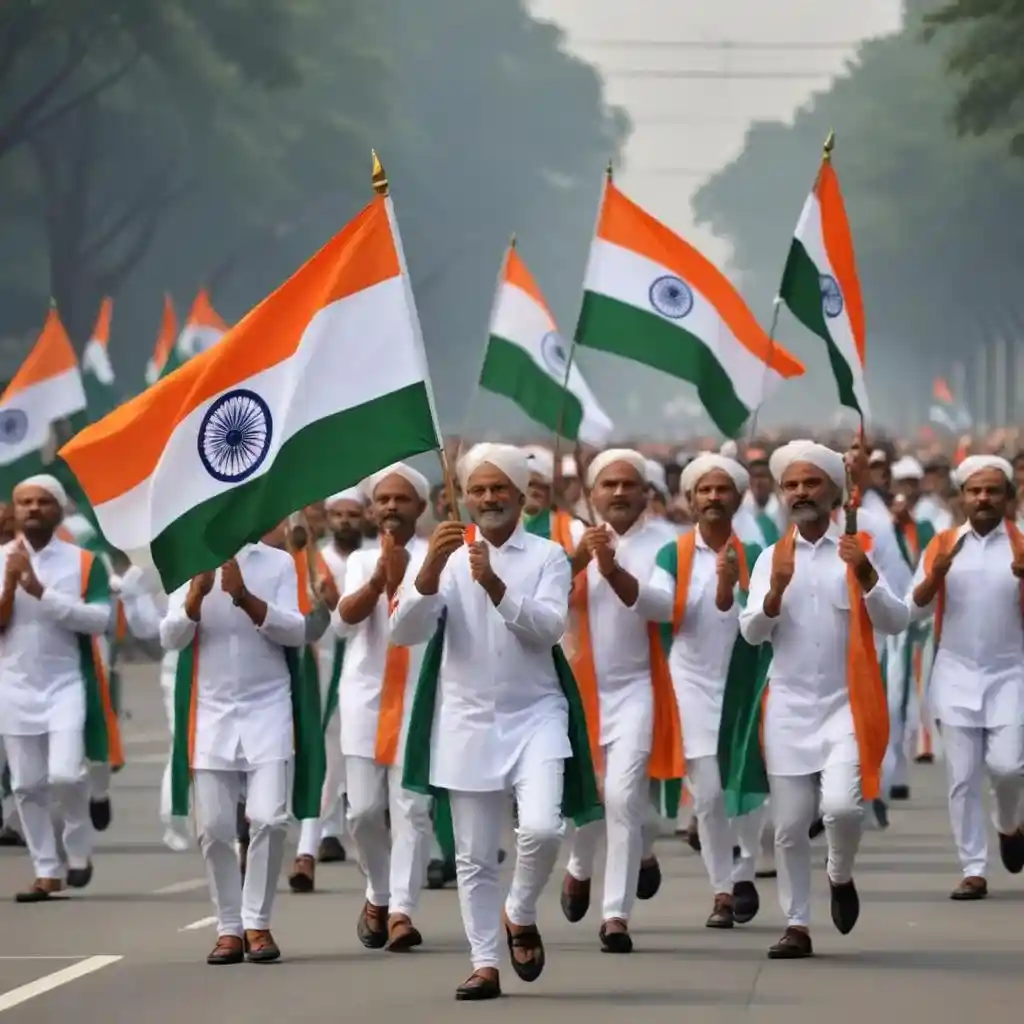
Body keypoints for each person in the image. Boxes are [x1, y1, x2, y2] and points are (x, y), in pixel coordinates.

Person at [393, 443, 598, 1001]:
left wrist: (497, 588)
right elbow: (403, 631)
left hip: (536, 714)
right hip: (465, 720)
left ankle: (521, 908)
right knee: (474, 856)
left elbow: (549, 627)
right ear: (463, 497)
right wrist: (431, 570)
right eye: (478, 490)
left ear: (520, 495)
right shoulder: (445, 556)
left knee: (541, 829)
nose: (488, 498)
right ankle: (484, 962)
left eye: (498, 489)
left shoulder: (548, 556)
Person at [738, 441, 910, 959]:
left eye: (811, 483)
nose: (799, 492)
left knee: (840, 809)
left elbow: (897, 620)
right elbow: (751, 632)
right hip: (789, 708)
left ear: (836, 492)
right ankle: (796, 925)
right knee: (789, 826)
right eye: (791, 484)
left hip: (846, 706)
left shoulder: (863, 548)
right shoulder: (772, 556)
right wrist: (773, 593)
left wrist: (867, 576)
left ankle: (839, 872)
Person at [161, 534, 320, 964]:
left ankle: (257, 923)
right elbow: (171, 636)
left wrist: (243, 595)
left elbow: (296, 630)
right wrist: (195, 594)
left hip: (267, 707)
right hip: (210, 713)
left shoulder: (277, 563)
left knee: (269, 818)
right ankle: (228, 927)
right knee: (213, 828)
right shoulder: (187, 559)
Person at [558, 449, 682, 952]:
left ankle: (615, 915)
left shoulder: (667, 543)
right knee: (590, 798)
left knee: (624, 797)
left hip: (637, 687)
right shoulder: (568, 541)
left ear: (646, 494)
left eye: (628, 485)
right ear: (592, 495)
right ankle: (580, 863)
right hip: (579, 687)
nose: (618, 493)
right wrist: (577, 562)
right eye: (607, 485)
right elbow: (539, 601)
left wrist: (611, 571)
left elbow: (662, 605)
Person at [646, 453, 768, 929]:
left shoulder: (758, 553)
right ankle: (722, 888)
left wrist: (737, 583)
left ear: (738, 498)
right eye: (704, 491)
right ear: (691, 500)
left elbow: (763, 618)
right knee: (711, 794)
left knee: (749, 784)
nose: (713, 498)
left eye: (722, 490)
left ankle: (744, 871)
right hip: (690, 680)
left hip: (744, 679)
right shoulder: (670, 555)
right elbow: (658, 603)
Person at [908, 455, 1024, 900]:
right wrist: (934, 577)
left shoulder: (1020, 544)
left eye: (993, 491)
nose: (983, 498)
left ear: (1007, 498)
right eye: (975, 491)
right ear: (962, 497)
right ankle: (973, 867)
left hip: (1009, 672)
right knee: (962, 777)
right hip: (955, 673)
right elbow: (914, 608)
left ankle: (1009, 823)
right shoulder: (942, 545)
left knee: (1009, 767)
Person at [0, 475, 113, 902]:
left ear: (59, 509)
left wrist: (40, 592)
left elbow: (98, 620)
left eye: (41, 502)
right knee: (27, 785)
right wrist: (11, 585)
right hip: (13, 685)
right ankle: (47, 870)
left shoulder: (84, 562)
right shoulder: (1, 560)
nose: (31, 509)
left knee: (66, 774)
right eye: (24, 502)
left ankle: (78, 850)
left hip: (66, 682)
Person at [334, 463, 432, 951]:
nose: (391, 506)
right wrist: (377, 581)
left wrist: (405, 580)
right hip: (364, 699)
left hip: (418, 696)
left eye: (402, 499)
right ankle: (377, 890)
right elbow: (343, 622)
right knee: (364, 813)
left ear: (422, 507)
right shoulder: (358, 561)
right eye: (384, 500)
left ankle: (402, 912)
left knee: (412, 809)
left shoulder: (441, 558)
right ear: (372, 511)